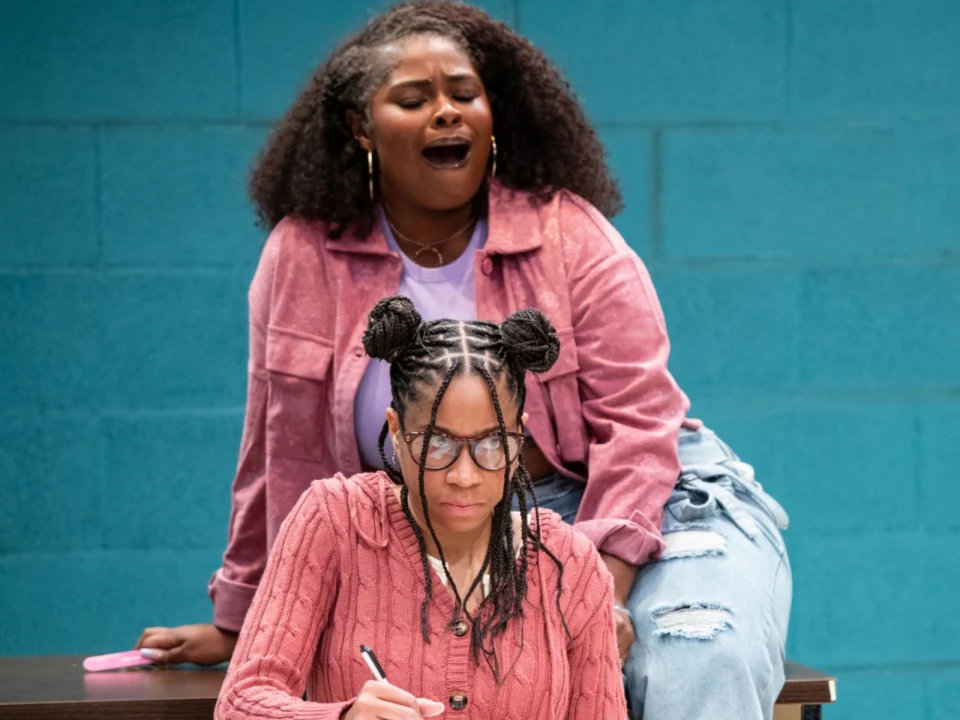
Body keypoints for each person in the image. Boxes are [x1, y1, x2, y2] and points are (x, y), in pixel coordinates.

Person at [138, 2, 792, 718]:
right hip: (449, 515)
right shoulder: (304, 253)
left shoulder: (570, 233)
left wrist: (596, 586)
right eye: (414, 100)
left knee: (694, 659)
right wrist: (245, 613)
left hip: (645, 502)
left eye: (464, 94)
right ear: (362, 126)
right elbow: (277, 452)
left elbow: (640, 428)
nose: (446, 112)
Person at [214, 297, 627, 719]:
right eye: (436, 443)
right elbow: (241, 702)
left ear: (518, 439)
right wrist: (343, 717)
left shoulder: (569, 563)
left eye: (492, 444)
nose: (464, 476)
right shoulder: (336, 521)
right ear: (396, 431)